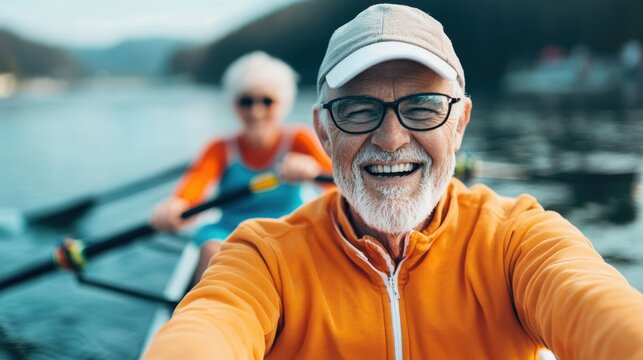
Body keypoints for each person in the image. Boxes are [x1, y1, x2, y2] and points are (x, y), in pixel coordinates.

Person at [145, 4, 643, 359]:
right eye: (358, 110)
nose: (389, 138)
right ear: (323, 130)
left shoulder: (519, 240)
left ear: (461, 121)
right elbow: (210, 327)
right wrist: (179, 204)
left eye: (423, 107)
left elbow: (600, 310)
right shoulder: (263, 257)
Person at [150, 51, 332, 280]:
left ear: (283, 103)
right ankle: (210, 310)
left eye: (267, 101)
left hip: (288, 227)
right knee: (211, 251)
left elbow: (342, 188)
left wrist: (314, 174)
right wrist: (176, 206)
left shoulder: (299, 140)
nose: (256, 111)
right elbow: (193, 189)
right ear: (234, 104)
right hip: (229, 231)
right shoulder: (220, 148)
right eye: (246, 101)